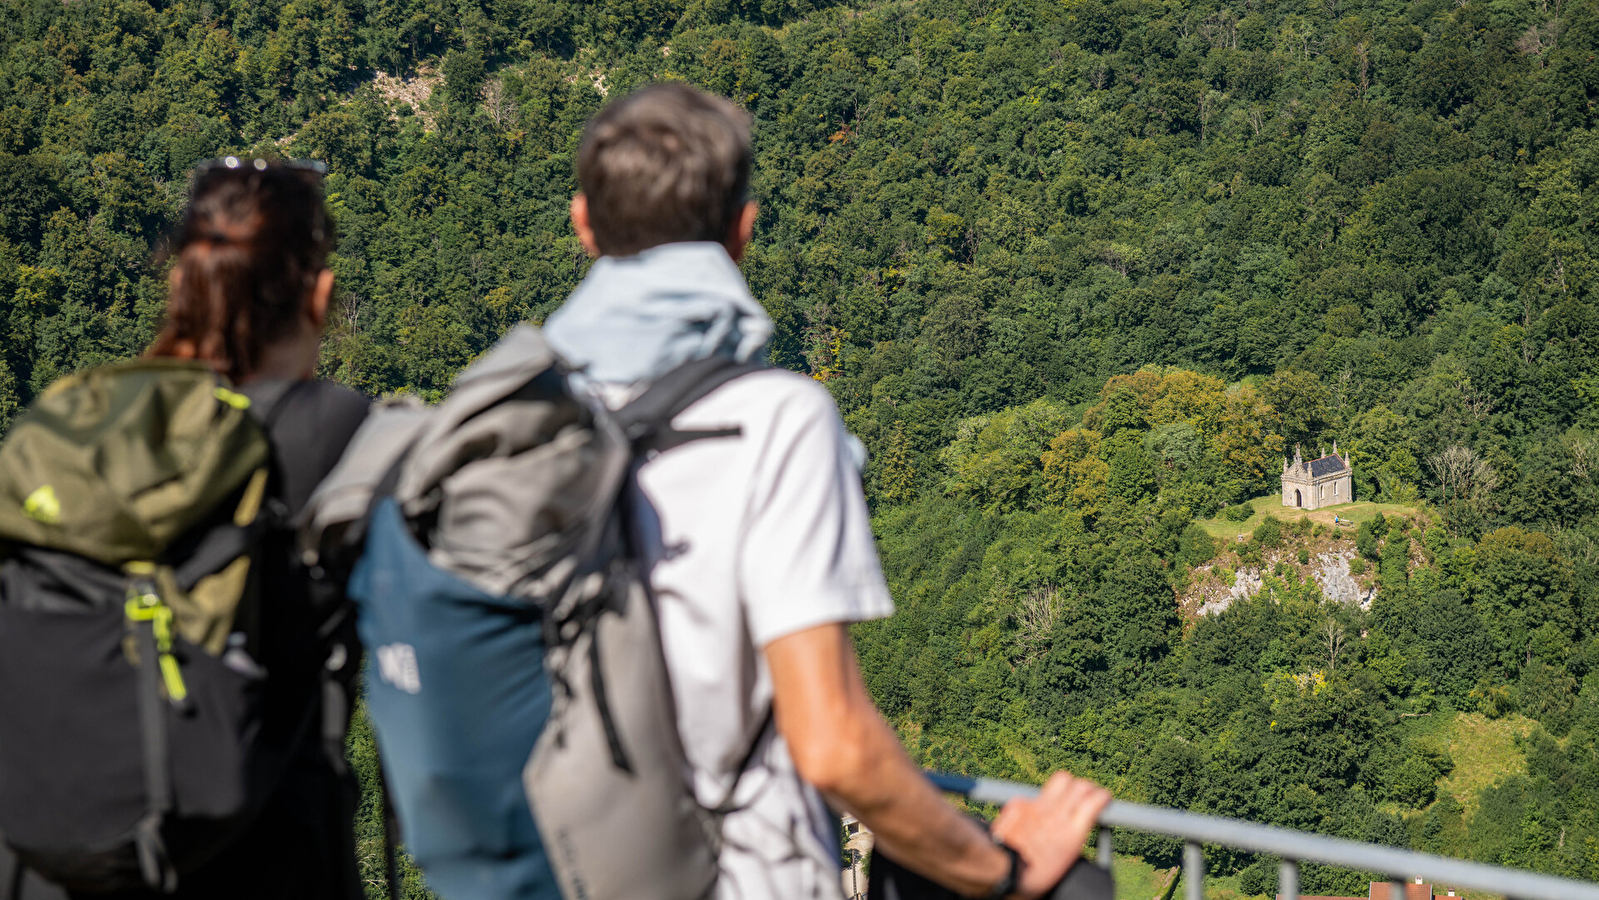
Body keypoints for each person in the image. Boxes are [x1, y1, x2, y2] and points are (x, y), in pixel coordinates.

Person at [543, 83, 1111, 900]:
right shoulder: (772, 422)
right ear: (742, 233)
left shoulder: (498, 423)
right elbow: (835, 746)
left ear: (582, 224)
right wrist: (1004, 871)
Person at [0, 157, 369, 900]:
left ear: (179, 285)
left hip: (47, 853)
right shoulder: (340, 435)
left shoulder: (77, 424)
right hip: (250, 852)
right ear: (320, 295)